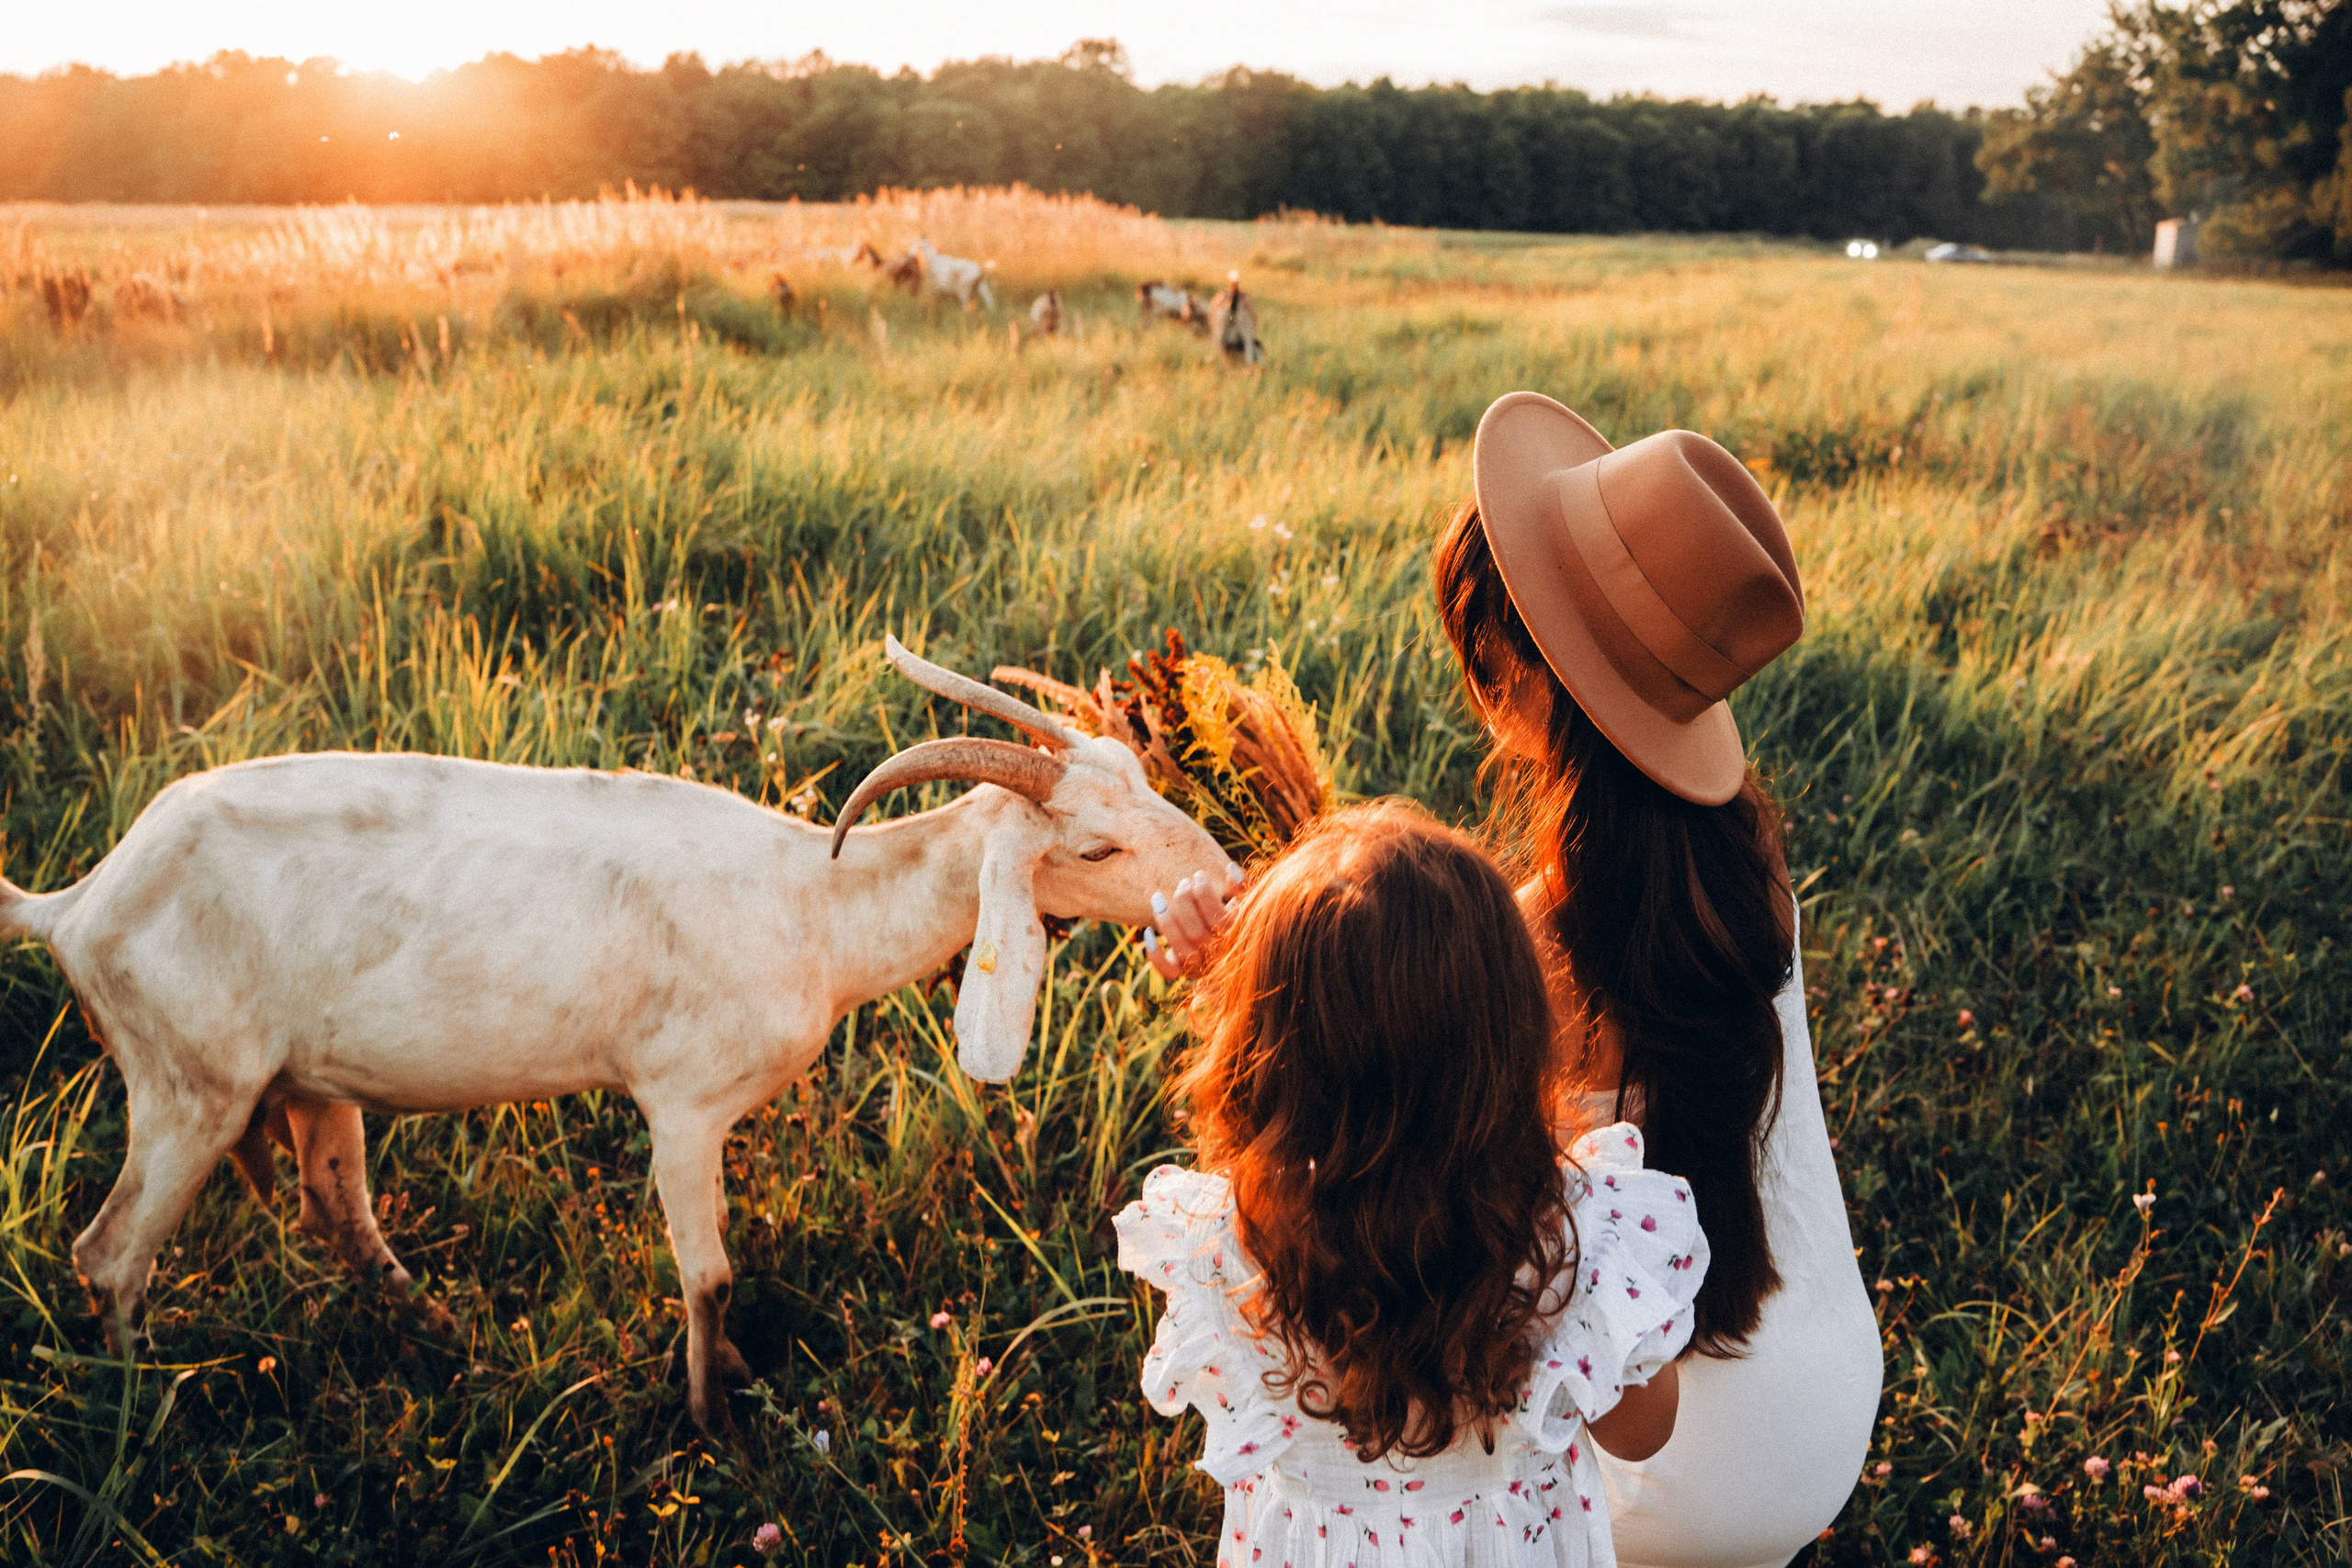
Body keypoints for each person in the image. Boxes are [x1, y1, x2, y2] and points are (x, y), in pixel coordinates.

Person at [1148, 393, 1881, 1568]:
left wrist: (1245, 970)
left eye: (1481, 659)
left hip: (1670, 1474)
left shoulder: (1531, 955)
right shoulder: (1746, 875)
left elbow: (1354, 1111)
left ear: (1521, 682)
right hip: (1825, 1400)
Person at [1117, 801, 1708, 1567]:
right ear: (1514, 1028)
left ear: (1265, 1057)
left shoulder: (1233, 1239)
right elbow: (1643, 1431)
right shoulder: (1573, 1237)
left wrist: (1242, 976)